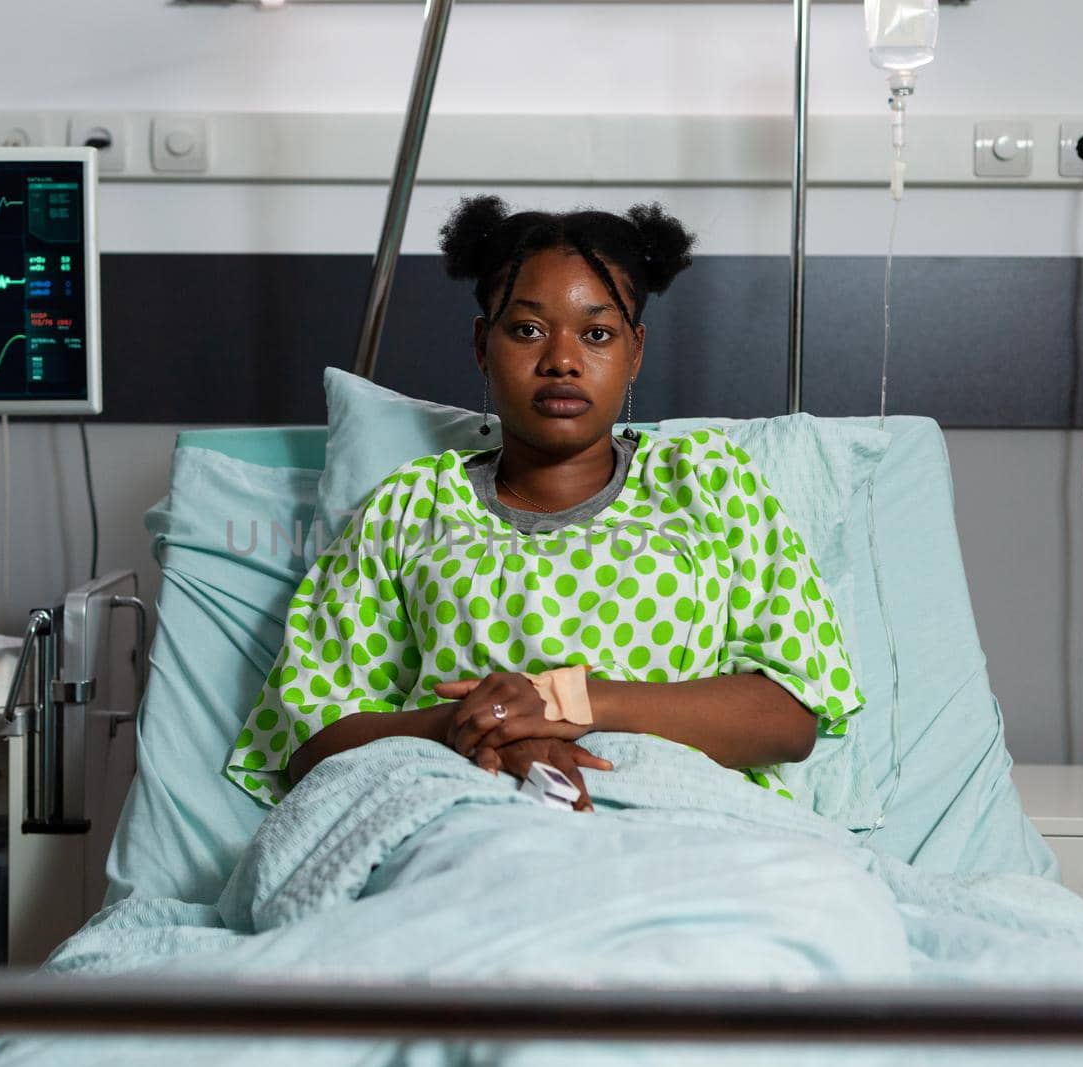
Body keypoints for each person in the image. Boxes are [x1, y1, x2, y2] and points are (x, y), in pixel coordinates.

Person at [225, 196, 862, 811]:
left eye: (597, 333)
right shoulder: (411, 508)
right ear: (482, 346)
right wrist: (473, 724)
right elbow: (308, 742)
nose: (562, 360)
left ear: (634, 351)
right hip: (450, 811)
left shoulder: (708, 486)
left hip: (675, 821)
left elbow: (787, 716)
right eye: (528, 330)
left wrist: (560, 701)